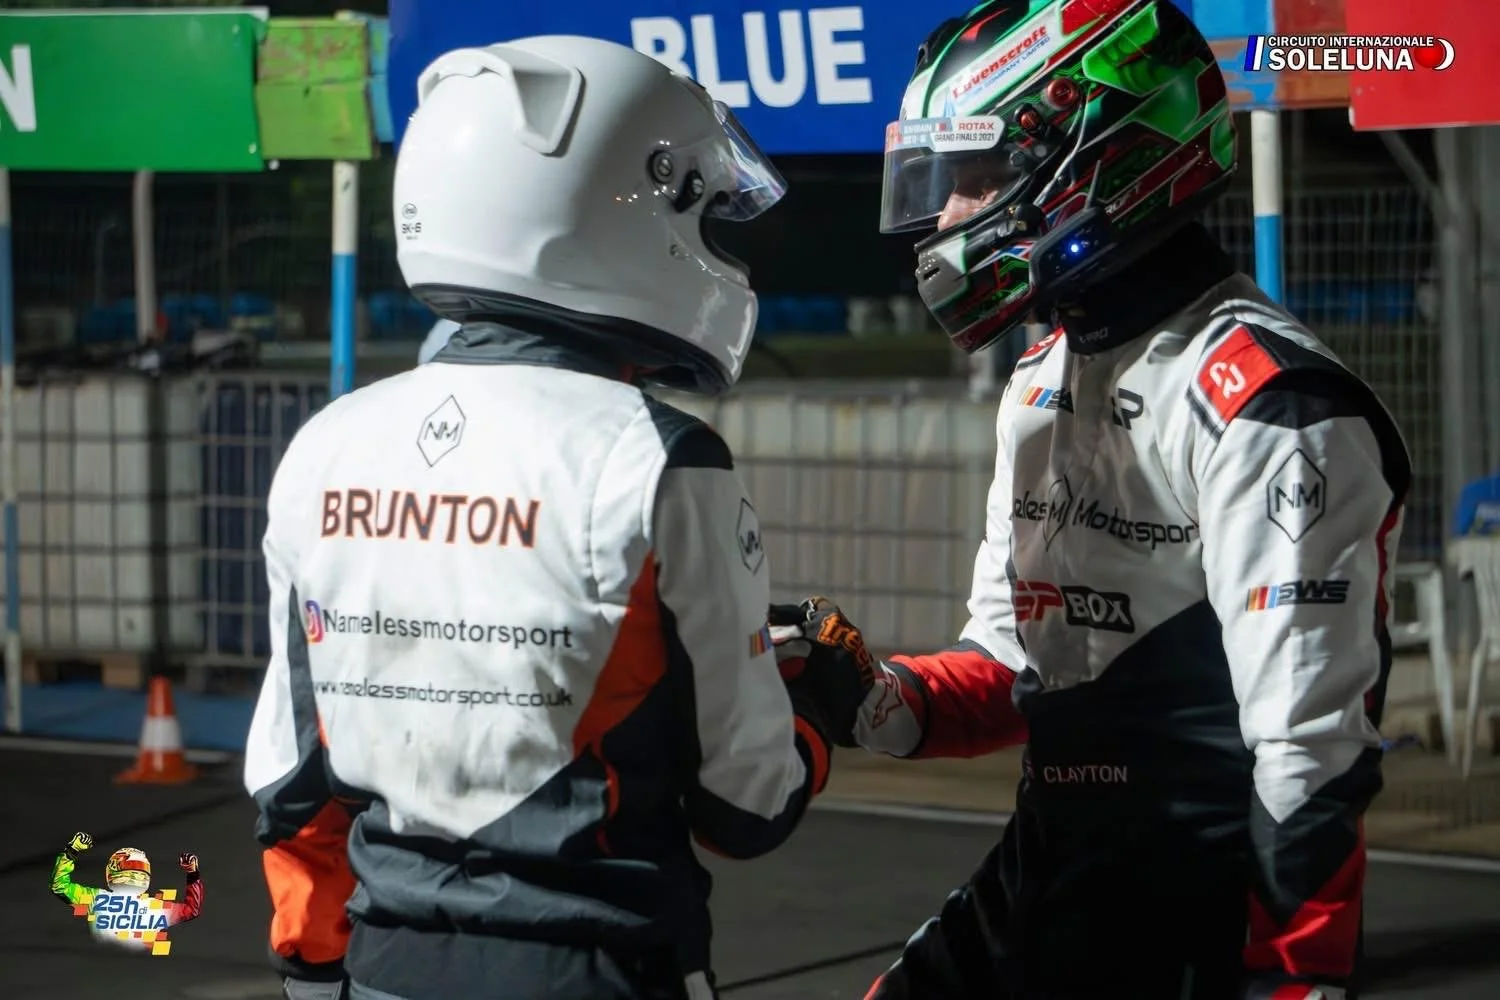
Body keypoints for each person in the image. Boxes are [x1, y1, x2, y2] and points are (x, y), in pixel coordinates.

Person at [770, 2, 1412, 997]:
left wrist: (1294, 982)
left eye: (973, 177)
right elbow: (1014, 665)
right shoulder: (1039, 375)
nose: (943, 219)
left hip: (1204, 905)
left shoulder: (1270, 404)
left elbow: (1309, 762)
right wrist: (874, 698)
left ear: (1096, 157)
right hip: (1054, 866)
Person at [243, 35, 835, 1000]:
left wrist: (315, 971)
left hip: (380, 964)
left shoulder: (325, 446)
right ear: (616, 209)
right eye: (701, 210)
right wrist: (818, 706)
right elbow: (747, 801)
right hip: (597, 966)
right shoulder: (664, 457)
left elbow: (290, 780)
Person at [51, 833, 204, 949]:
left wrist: (71, 851)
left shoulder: (96, 899)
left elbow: (60, 885)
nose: (135, 872)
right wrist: (192, 873)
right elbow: (192, 909)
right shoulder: (157, 907)